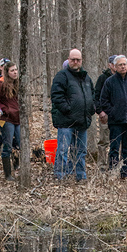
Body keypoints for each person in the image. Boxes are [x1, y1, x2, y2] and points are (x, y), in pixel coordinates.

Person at [50, 49, 95, 182]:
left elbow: (92, 94)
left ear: (81, 61)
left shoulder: (86, 77)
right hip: (66, 121)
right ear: (68, 60)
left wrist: (91, 108)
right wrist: (67, 109)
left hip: (82, 121)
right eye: (73, 59)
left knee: (81, 151)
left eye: (78, 60)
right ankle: (61, 175)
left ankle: (81, 175)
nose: (75, 62)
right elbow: (56, 96)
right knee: (63, 150)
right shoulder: (61, 76)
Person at [99, 55, 127, 179]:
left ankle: (124, 170)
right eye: (120, 65)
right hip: (116, 121)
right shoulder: (109, 82)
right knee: (114, 147)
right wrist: (112, 112)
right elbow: (103, 100)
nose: (123, 67)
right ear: (115, 67)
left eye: (125, 64)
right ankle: (113, 170)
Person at [0, 61, 20, 180]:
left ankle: (17, 167)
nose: (15, 72)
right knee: (7, 145)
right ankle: (8, 174)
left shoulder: (18, 83)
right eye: (12, 70)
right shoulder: (1, 84)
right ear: (7, 72)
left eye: (16, 70)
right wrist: (6, 110)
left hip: (18, 117)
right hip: (7, 119)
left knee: (18, 144)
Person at [94, 56, 116, 169]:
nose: (116, 65)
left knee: (117, 141)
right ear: (110, 65)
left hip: (118, 116)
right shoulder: (103, 78)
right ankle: (102, 165)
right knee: (103, 141)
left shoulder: (123, 78)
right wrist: (100, 111)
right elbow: (96, 96)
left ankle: (115, 164)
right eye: (114, 63)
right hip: (105, 115)